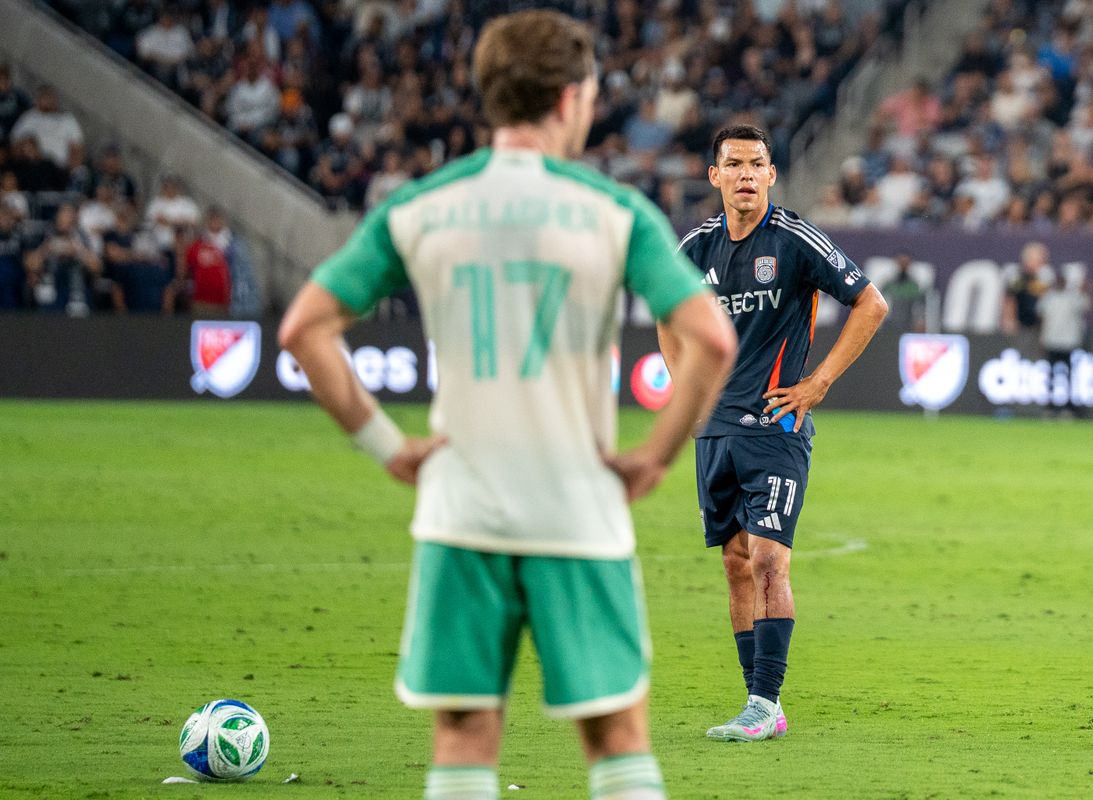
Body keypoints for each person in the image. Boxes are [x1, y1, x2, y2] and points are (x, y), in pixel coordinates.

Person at [277, 10, 736, 800]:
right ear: (569, 99)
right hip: (578, 508)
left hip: (461, 510)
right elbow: (713, 340)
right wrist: (653, 457)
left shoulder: (419, 207)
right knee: (617, 736)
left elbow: (305, 329)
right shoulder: (614, 211)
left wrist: (389, 446)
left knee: (462, 736)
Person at [660, 125, 888, 743]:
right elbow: (664, 313)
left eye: (756, 164)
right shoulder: (695, 247)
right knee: (736, 565)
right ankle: (761, 702)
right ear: (714, 176)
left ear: (770, 175)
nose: (744, 175)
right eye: (732, 164)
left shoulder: (791, 238)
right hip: (715, 431)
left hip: (777, 426)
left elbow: (872, 303)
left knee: (767, 558)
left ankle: (763, 702)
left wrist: (817, 385)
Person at [1037, 272, 1090, 416]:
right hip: (1052, 341)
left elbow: (1086, 306)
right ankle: (1049, 406)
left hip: (1068, 342)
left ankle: (1068, 407)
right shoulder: (1049, 298)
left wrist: (1085, 289)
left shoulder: (1073, 298)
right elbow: (1041, 315)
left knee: (1069, 376)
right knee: (1051, 376)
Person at [1003, 241, 1054, 334]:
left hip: (1040, 326)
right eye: (1040, 260)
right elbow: (1011, 300)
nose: (1043, 264)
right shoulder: (1018, 277)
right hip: (1021, 324)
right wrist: (1009, 320)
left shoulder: (1045, 278)